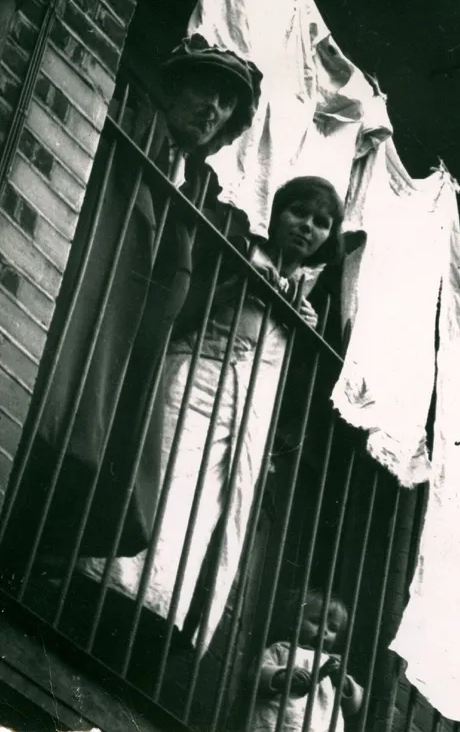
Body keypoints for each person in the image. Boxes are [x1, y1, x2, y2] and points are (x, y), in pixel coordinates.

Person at [0, 38, 261, 576]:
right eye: (203, 90)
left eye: (226, 103)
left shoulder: (200, 189)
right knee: (47, 430)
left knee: (90, 467)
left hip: (127, 346)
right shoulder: (130, 120)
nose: (212, 108)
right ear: (173, 87)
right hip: (86, 313)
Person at [82, 176, 345, 655]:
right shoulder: (242, 248)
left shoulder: (313, 299)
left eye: (321, 223)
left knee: (199, 517)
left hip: (243, 419)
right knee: (159, 489)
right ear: (278, 213)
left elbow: (298, 381)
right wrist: (238, 282)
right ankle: (99, 591)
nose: (307, 227)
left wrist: (303, 330)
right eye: (299, 213)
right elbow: (184, 305)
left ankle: (152, 618)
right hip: (195, 387)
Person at [251, 589, 364, 732]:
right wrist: (282, 676)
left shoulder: (333, 663)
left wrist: (344, 683)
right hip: (283, 722)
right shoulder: (281, 650)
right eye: (316, 621)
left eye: (333, 628)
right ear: (294, 622)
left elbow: (354, 705)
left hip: (320, 725)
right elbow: (259, 672)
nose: (324, 630)